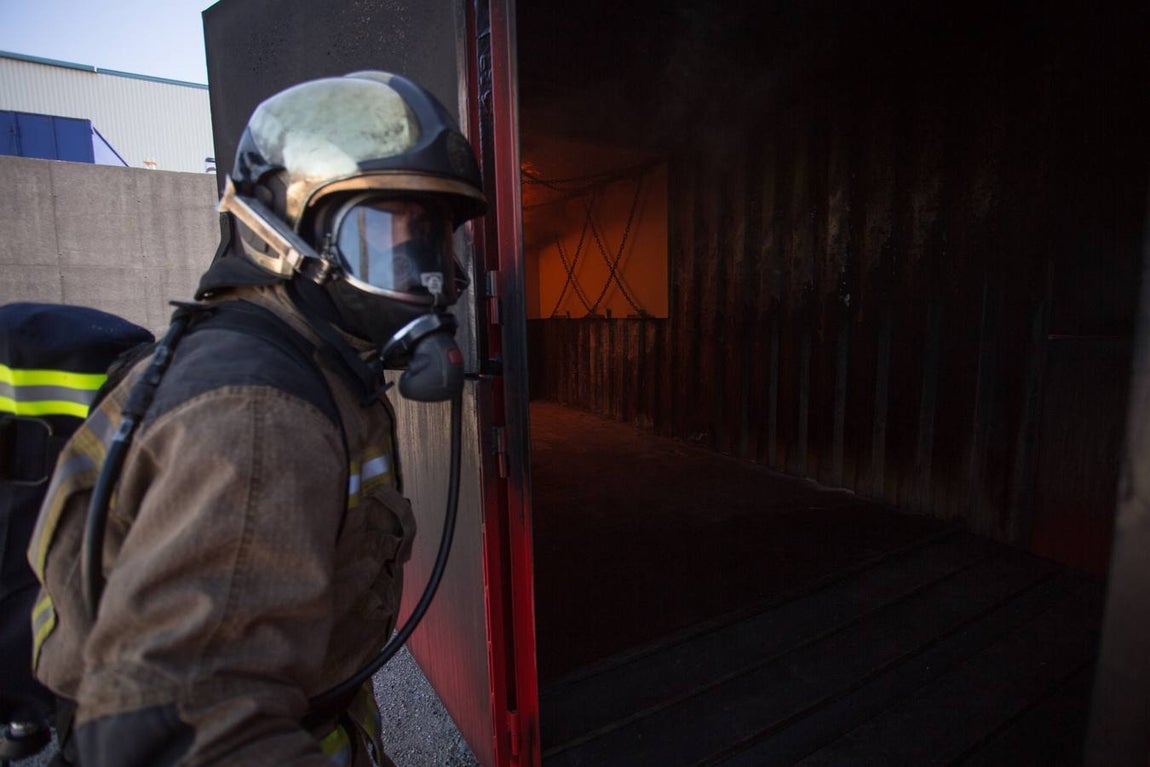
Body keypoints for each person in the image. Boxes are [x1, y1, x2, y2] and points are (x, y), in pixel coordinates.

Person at [27, 70, 486, 767]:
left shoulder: (313, 360)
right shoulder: (259, 416)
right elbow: (178, 733)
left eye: (434, 242)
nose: (429, 275)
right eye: (391, 236)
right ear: (279, 233)